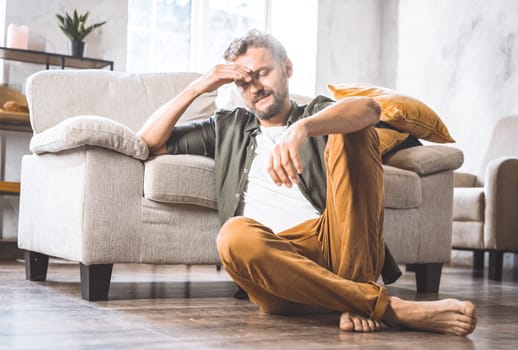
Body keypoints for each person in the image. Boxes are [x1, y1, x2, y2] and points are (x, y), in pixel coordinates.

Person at [137, 29, 477, 336]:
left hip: (337, 244)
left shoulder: (317, 113)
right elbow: (147, 142)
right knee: (233, 235)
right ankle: (383, 307)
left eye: (262, 73)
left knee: (351, 131)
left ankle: (353, 299)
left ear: (287, 68)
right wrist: (199, 86)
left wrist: (302, 130)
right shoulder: (227, 127)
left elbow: (370, 109)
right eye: (244, 82)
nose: (255, 87)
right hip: (276, 268)